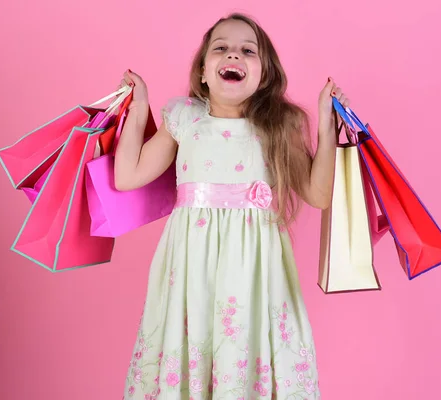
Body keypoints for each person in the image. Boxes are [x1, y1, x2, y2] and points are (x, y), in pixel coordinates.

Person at [115, 13, 351, 400]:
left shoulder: (280, 125)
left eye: (247, 51)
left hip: (255, 268)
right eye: (221, 48)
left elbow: (317, 194)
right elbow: (128, 176)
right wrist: (139, 108)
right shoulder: (184, 118)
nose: (234, 56)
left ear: (264, 74)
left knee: (247, 344)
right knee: (194, 343)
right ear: (204, 71)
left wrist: (327, 129)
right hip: (192, 265)